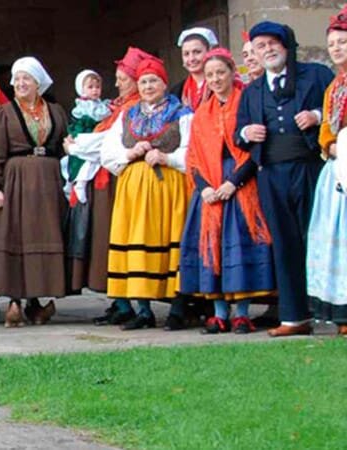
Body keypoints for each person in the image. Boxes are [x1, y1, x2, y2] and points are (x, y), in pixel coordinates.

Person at [235, 21, 335, 337]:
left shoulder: (317, 75)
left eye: (272, 44)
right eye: (260, 46)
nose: (267, 50)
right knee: (284, 243)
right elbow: (239, 133)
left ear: (285, 46)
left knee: (318, 241)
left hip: (308, 169)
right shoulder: (252, 91)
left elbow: (338, 107)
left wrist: (316, 116)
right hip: (271, 176)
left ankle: (334, 313)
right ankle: (295, 317)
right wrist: (246, 132)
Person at [179, 48, 276, 334]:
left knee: (239, 245)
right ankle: (219, 313)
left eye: (220, 72)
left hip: (239, 184)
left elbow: (254, 150)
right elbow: (193, 157)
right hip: (210, 188)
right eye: (209, 75)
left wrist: (233, 182)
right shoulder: (201, 114)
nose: (215, 79)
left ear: (233, 73)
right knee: (213, 248)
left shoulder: (246, 104)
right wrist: (205, 188)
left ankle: (242, 313)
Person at [0, 56, 69, 328]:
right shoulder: (3, 113)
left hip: (48, 185)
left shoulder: (56, 111)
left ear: (39, 83)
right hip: (15, 183)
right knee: (16, 238)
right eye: (17, 79)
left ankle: (33, 302)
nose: (21, 83)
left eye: (27, 78)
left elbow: (62, 148)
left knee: (39, 239)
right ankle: (14, 302)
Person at [100, 54, 193, 331]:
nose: (148, 86)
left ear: (164, 84)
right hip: (134, 189)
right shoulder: (128, 115)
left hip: (169, 187)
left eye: (153, 81)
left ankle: (177, 308)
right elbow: (108, 151)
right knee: (135, 243)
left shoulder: (182, 113)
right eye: (143, 81)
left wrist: (167, 158)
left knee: (171, 241)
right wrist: (130, 152)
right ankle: (143, 309)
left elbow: (192, 150)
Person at [85, 46, 150, 326]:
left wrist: (79, 145)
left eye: (122, 79)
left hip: (123, 179)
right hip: (109, 177)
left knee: (125, 238)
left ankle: (136, 303)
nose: (117, 84)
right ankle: (120, 301)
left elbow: (108, 141)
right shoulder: (118, 107)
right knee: (109, 239)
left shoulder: (134, 109)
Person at [308, 8, 347, 336]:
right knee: (336, 241)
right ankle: (340, 310)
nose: (336, 48)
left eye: (343, 42)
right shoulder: (334, 86)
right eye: (332, 43)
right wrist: (331, 144)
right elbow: (325, 127)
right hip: (337, 166)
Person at [62, 69, 112, 297]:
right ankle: (78, 184)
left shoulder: (106, 107)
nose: (94, 91)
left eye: (97, 86)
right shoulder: (80, 109)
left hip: (98, 153)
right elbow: (76, 129)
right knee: (81, 168)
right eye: (89, 87)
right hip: (83, 148)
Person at [169, 27, 217, 108]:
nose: (191, 59)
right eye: (186, 54)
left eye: (197, 52)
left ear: (210, 52)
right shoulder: (177, 91)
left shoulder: (220, 84)